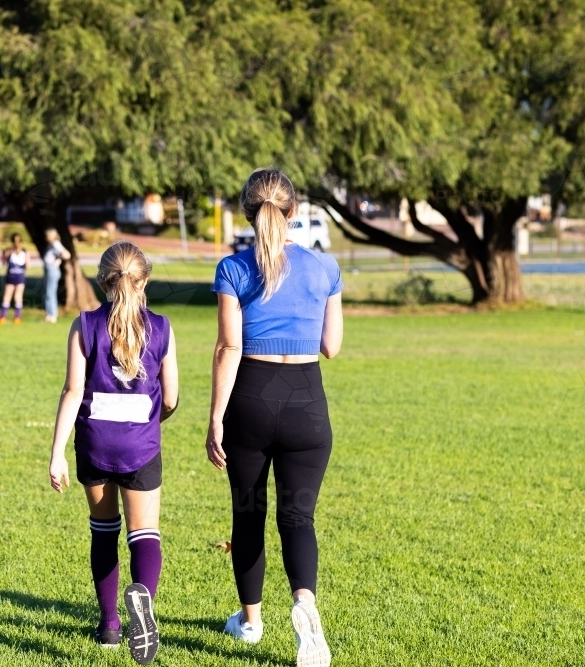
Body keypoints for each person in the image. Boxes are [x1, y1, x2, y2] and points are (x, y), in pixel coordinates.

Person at [206, 168, 343, 667]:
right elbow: (331, 346)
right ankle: (305, 606)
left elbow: (228, 346)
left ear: (247, 212)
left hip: (252, 400)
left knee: (249, 515)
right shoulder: (325, 268)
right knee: (298, 517)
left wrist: (215, 416)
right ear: (293, 212)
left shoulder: (232, 270)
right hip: (307, 402)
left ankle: (250, 622)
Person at [48, 241, 179, 665]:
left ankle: (109, 625)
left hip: (94, 444)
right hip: (141, 445)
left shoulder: (83, 325)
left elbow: (72, 391)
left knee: (103, 533)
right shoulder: (161, 327)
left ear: (103, 281)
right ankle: (145, 607)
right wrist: (149, 418)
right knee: (145, 533)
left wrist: (56, 454)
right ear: (144, 282)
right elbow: (172, 397)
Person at [0, 233, 29, 324]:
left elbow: (28, 265)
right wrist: (6, 254)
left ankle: (17, 317)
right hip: (11, 277)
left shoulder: (24, 252)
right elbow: (3, 263)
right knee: (7, 296)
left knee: (18, 296)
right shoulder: (9, 251)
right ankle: (2, 316)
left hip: (19, 277)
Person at [42, 228, 71, 323]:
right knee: (47, 292)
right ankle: (49, 314)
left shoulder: (55, 243)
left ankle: (52, 314)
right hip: (49, 269)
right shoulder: (51, 245)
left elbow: (67, 254)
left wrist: (57, 260)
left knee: (50, 292)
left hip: (52, 269)